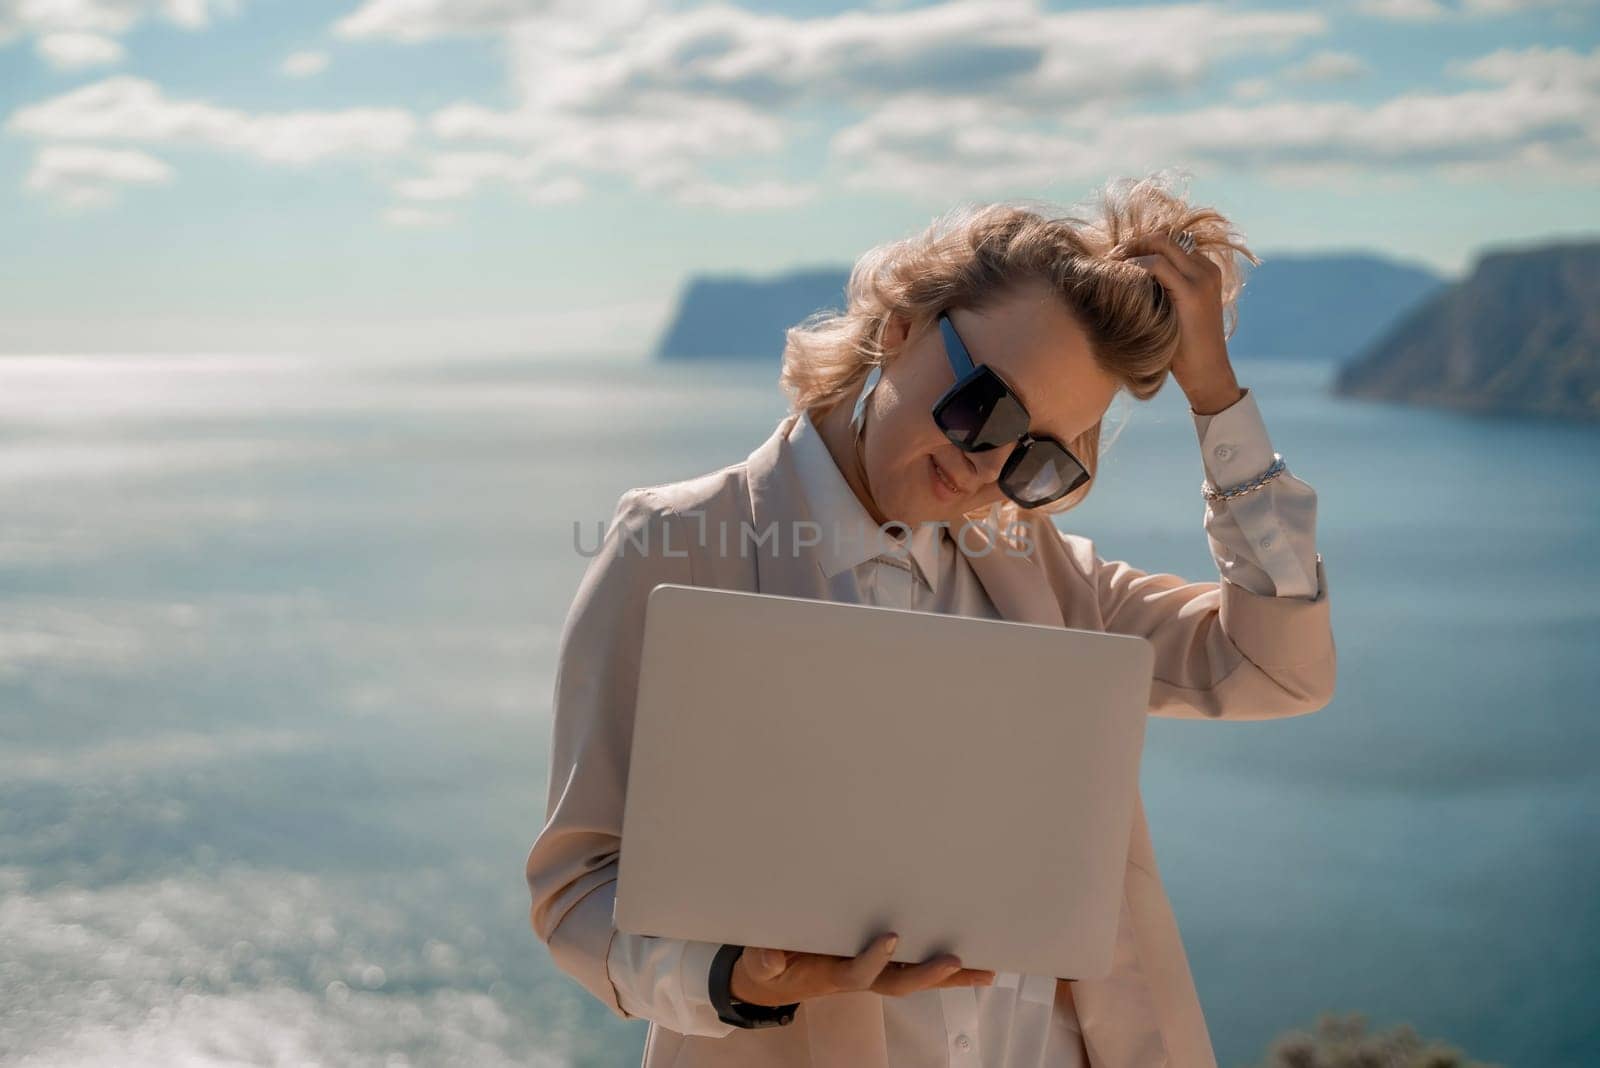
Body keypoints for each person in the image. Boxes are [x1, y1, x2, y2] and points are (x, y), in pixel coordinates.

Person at [526, 172, 1336, 1068]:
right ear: (901, 327)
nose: (989, 469)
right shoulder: (680, 543)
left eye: (1039, 461)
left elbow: (1277, 669)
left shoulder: (1043, 574)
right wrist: (740, 981)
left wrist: (1217, 402)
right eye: (985, 407)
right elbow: (576, 889)